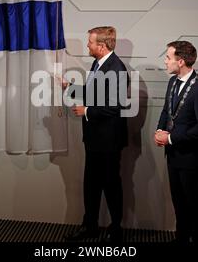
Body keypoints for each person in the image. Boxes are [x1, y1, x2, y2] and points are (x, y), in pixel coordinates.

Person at [63, 26, 129, 242]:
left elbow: (116, 106)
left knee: (111, 185)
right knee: (91, 185)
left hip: (109, 141)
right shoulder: (97, 64)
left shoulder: (116, 68)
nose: (87, 46)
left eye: (90, 42)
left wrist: (87, 111)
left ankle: (115, 229)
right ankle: (89, 226)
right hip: (94, 139)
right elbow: (94, 93)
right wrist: (70, 88)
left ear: (101, 46)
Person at [154, 40, 198, 244]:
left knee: (194, 203)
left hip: (191, 158)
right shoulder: (172, 81)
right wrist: (160, 130)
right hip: (173, 155)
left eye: (168, 57)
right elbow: (166, 111)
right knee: (178, 202)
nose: (165, 60)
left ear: (180, 61)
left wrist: (170, 138)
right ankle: (181, 238)